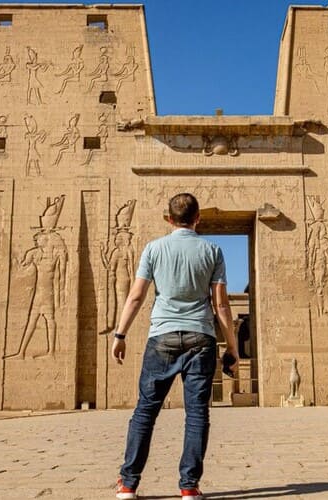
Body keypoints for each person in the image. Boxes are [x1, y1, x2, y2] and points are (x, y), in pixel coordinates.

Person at [112, 193, 238, 500]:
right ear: (198, 219)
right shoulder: (212, 249)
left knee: (145, 412)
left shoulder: (154, 249)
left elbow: (136, 296)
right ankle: (188, 487)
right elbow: (221, 305)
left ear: (169, 219)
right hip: (201, 338)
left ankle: (128, 484)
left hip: (162, 337)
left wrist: (120, 334)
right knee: (196, 415)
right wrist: (232, 347)